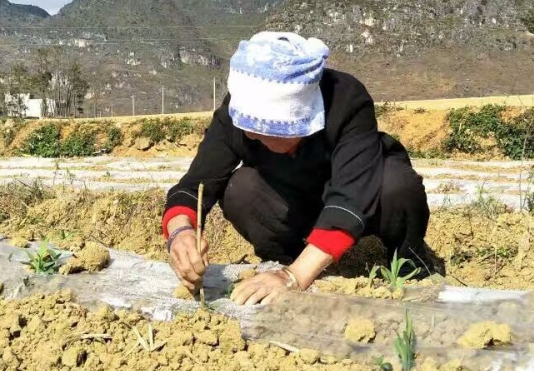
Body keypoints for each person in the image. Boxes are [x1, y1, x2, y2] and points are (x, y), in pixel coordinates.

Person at [163, 32, 429, 306]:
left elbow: (352, 198)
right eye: (249, 130)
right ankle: (288, 260)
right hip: (294, 200)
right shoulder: (239, 107)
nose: (252, 137)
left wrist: (295, 277)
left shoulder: (346, 100)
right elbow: (194, 185)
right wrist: (180, 233)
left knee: (397, 185)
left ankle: (409, 263)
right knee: (241, 189)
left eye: (265, 131)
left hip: (362, 199)